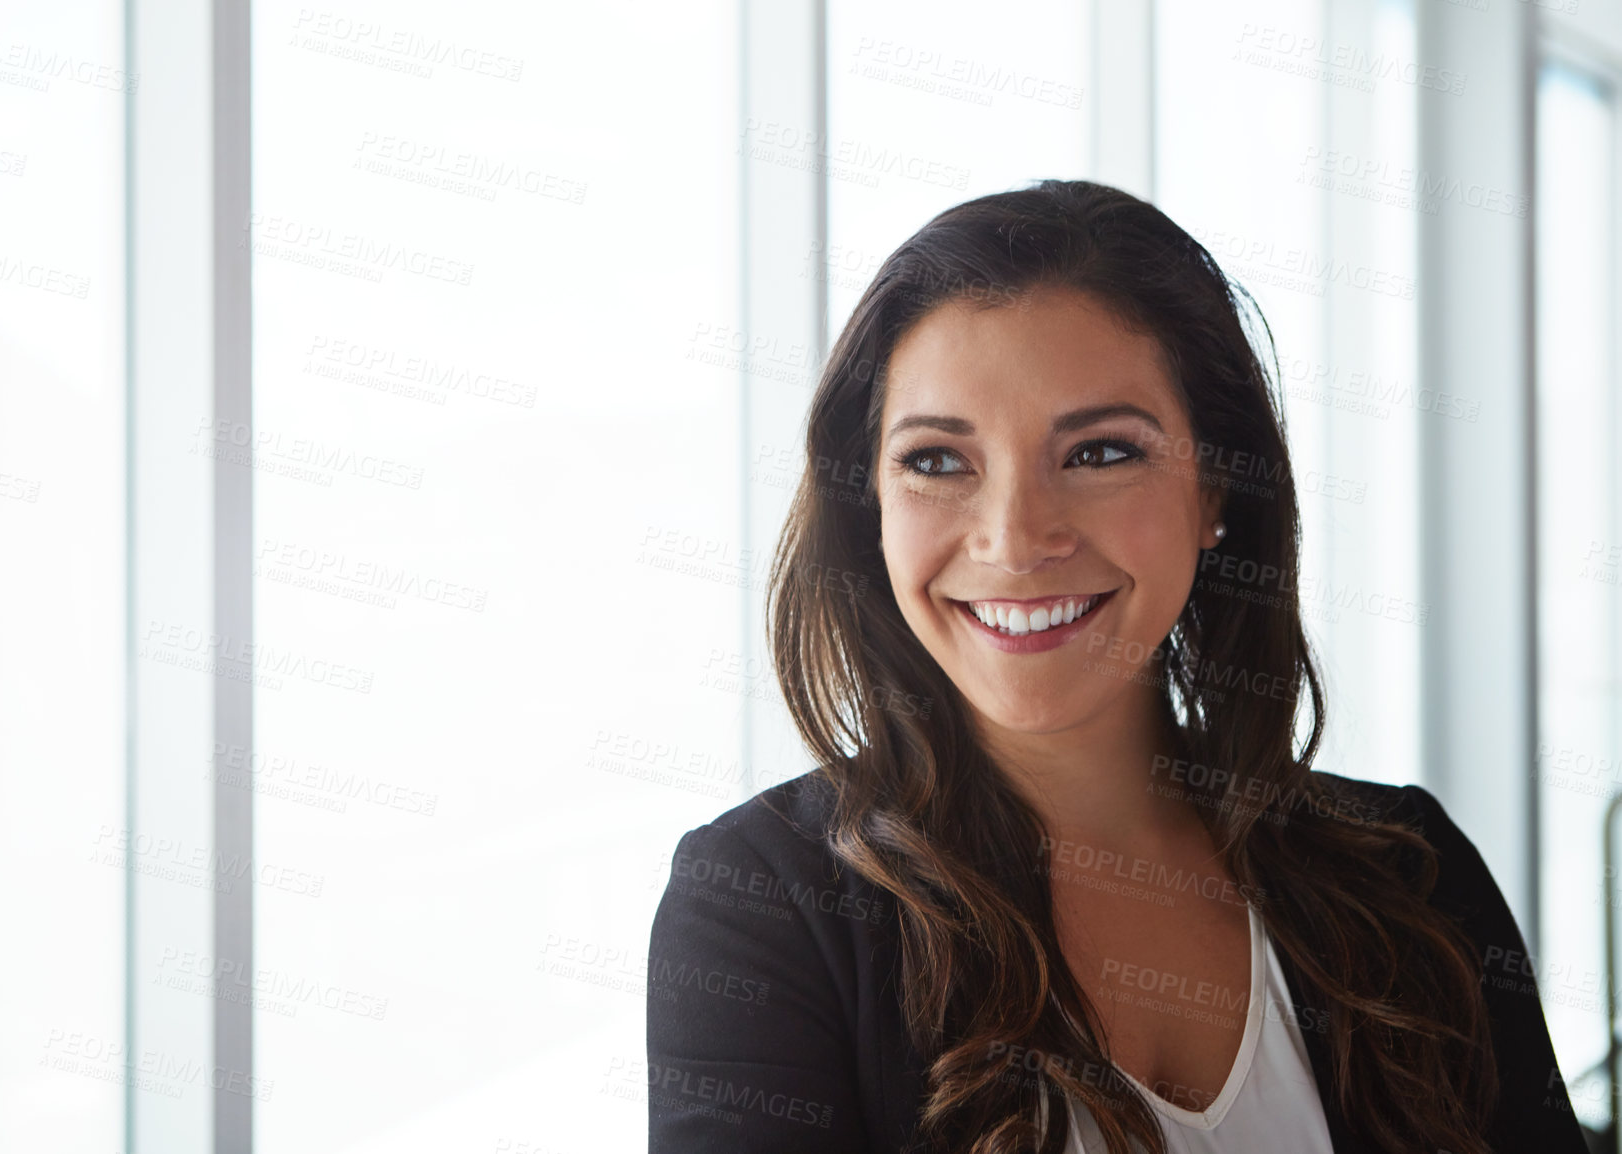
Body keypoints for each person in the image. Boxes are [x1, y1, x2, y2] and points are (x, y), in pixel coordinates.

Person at [645, 180, 1584, 1154]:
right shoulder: (759, 907)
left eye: (1097, 452)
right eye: (935, 460)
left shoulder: (1416, 874)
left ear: (1216, 484)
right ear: (869, 501)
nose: (1014, 539)